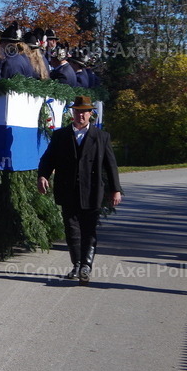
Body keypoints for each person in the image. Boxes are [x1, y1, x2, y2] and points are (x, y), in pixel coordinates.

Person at [37, 95, 123, 283]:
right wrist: (42, 175)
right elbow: (48, 159)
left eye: (84, 112)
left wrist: (115, 190)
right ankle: (76, 266)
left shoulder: (101, 137)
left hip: (92, 191)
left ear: (91, 114)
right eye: (77, 111)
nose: (80, 115)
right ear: (72, 113)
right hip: (68, 190)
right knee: (72, 230)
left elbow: (111, 166)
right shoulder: (61, 136)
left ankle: (86, 266)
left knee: (89, 230)